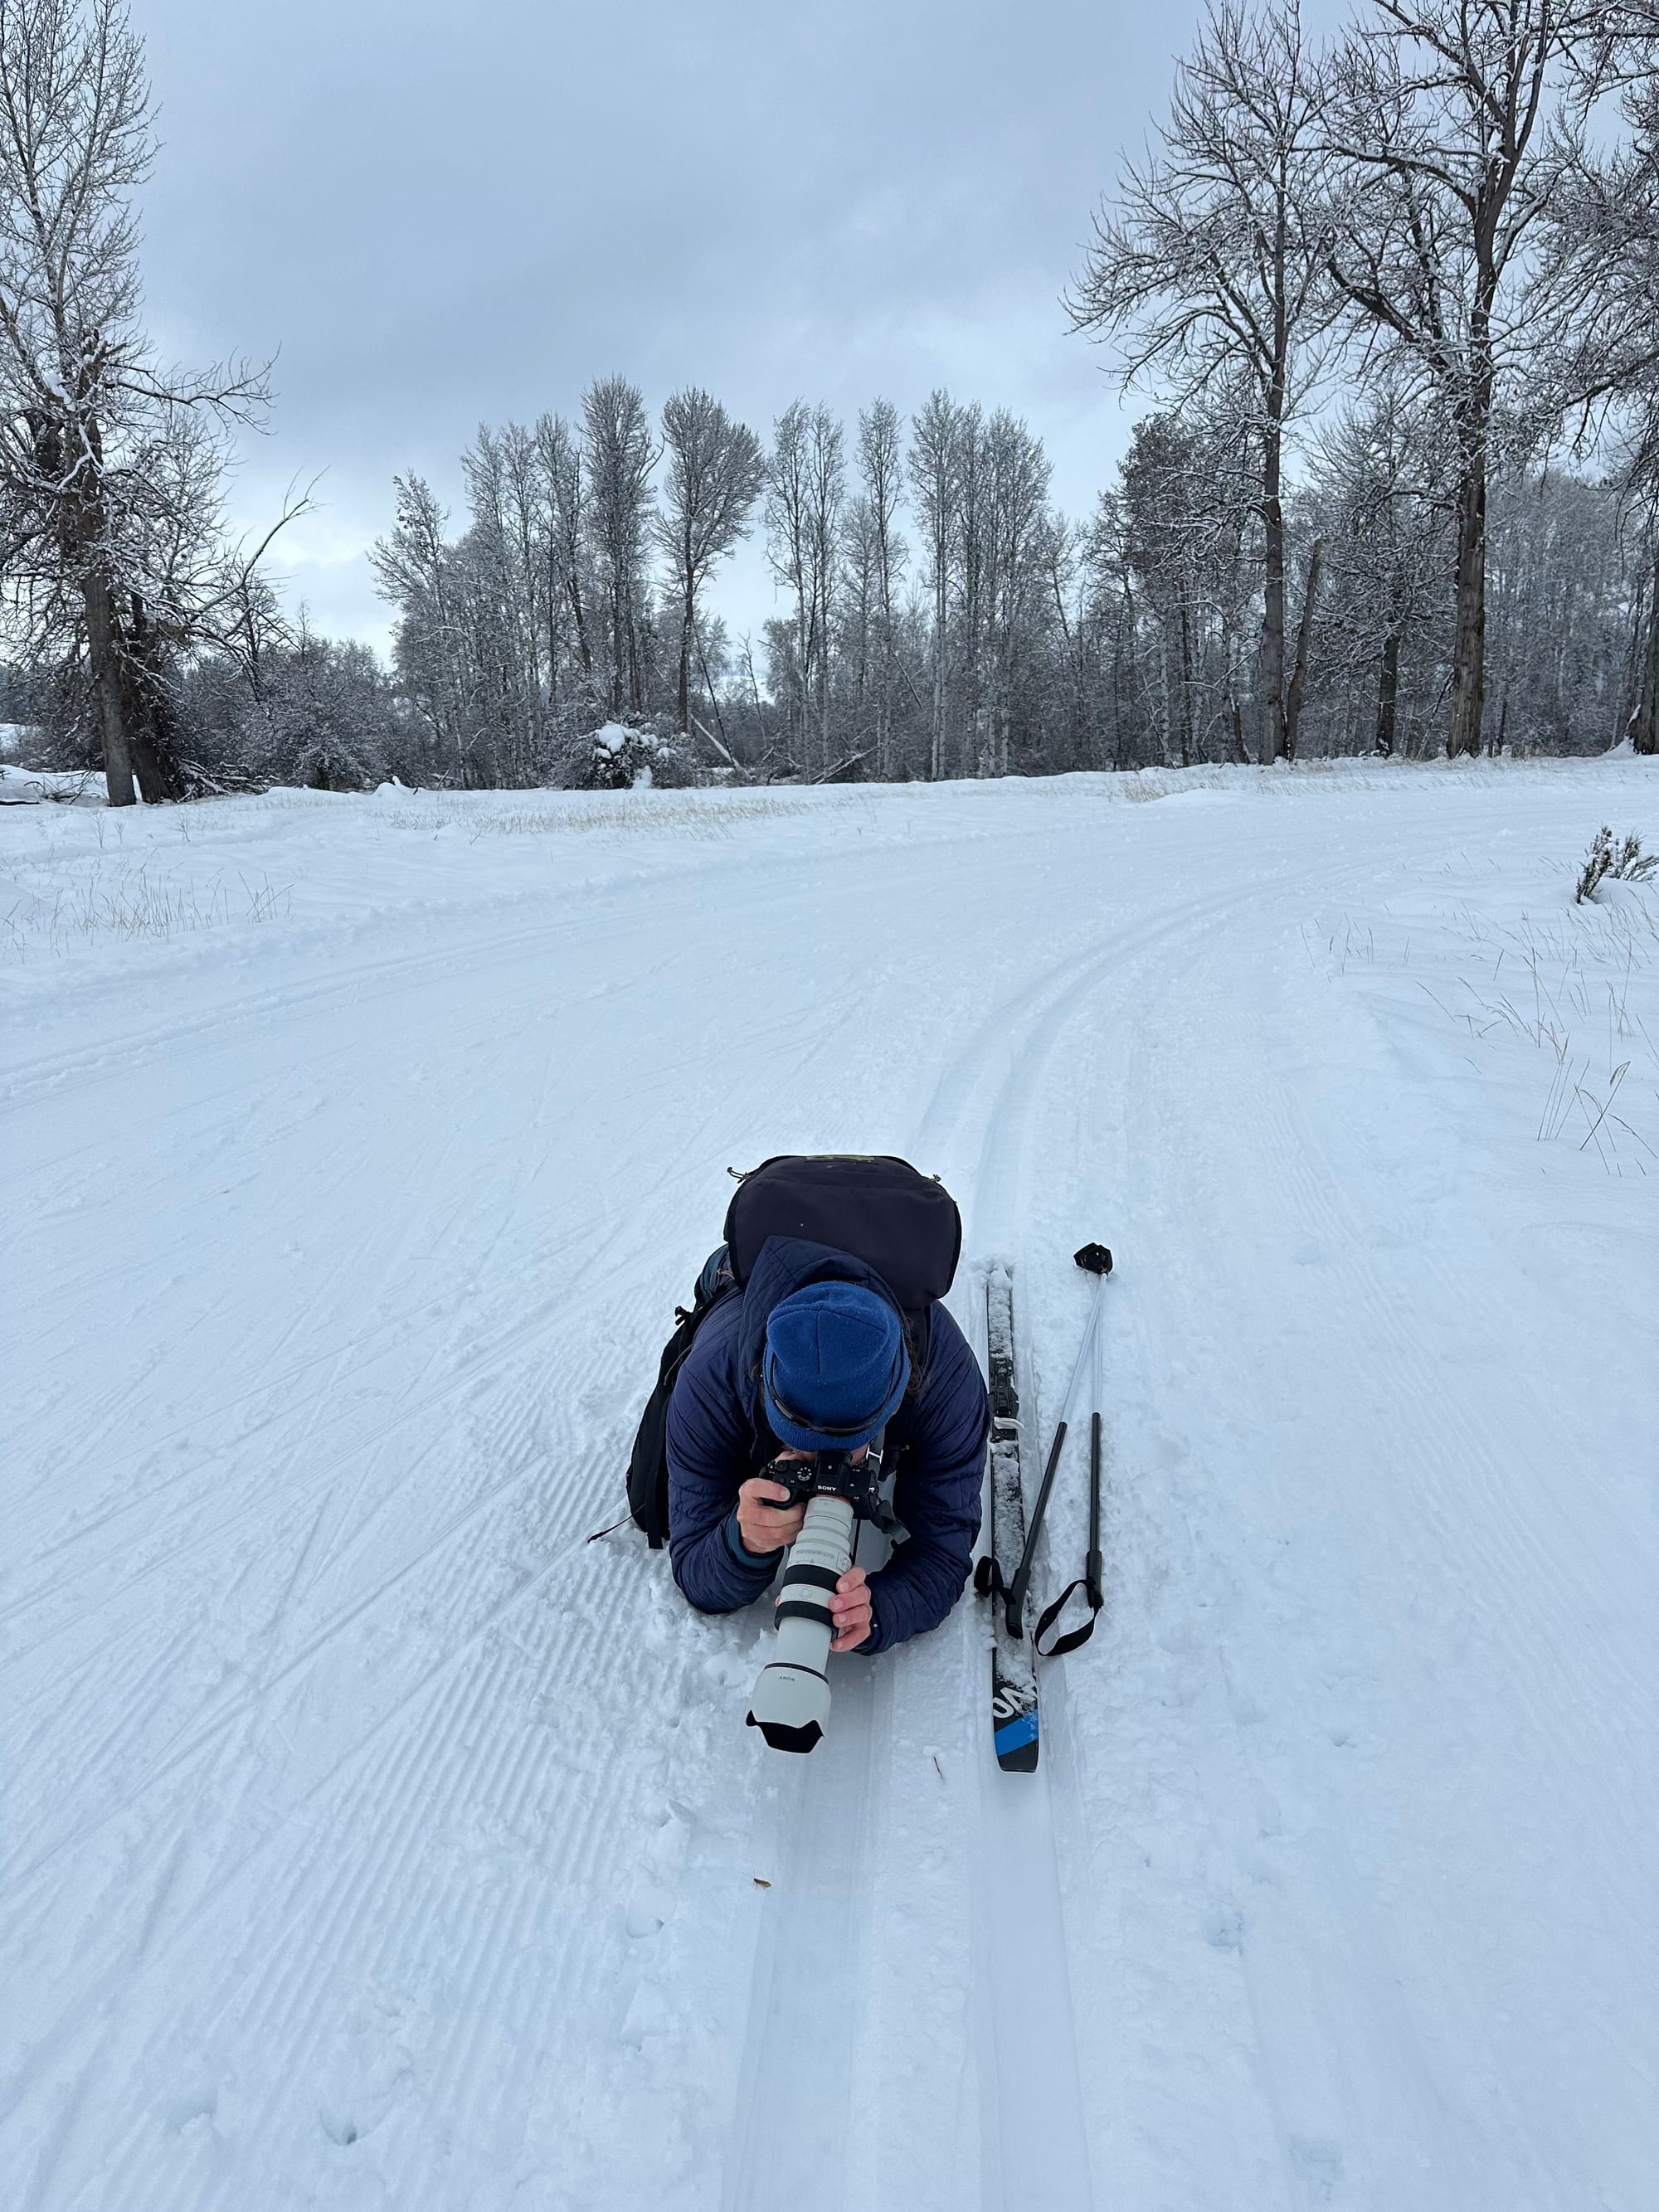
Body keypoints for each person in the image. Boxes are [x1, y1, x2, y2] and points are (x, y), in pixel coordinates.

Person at [666, 1232, 990, 1652]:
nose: (820, 1466)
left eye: (843, 1447)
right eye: (798, 1441)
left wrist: (879, 1610)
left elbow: (943, 1554)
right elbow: (694, 1568)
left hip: (883, 1256)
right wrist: (742, 1543)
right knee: (726, 1272)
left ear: (896, 1401)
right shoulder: (709, 1379)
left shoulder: (948, 1383)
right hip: (751, 1274)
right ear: (764, 1382)